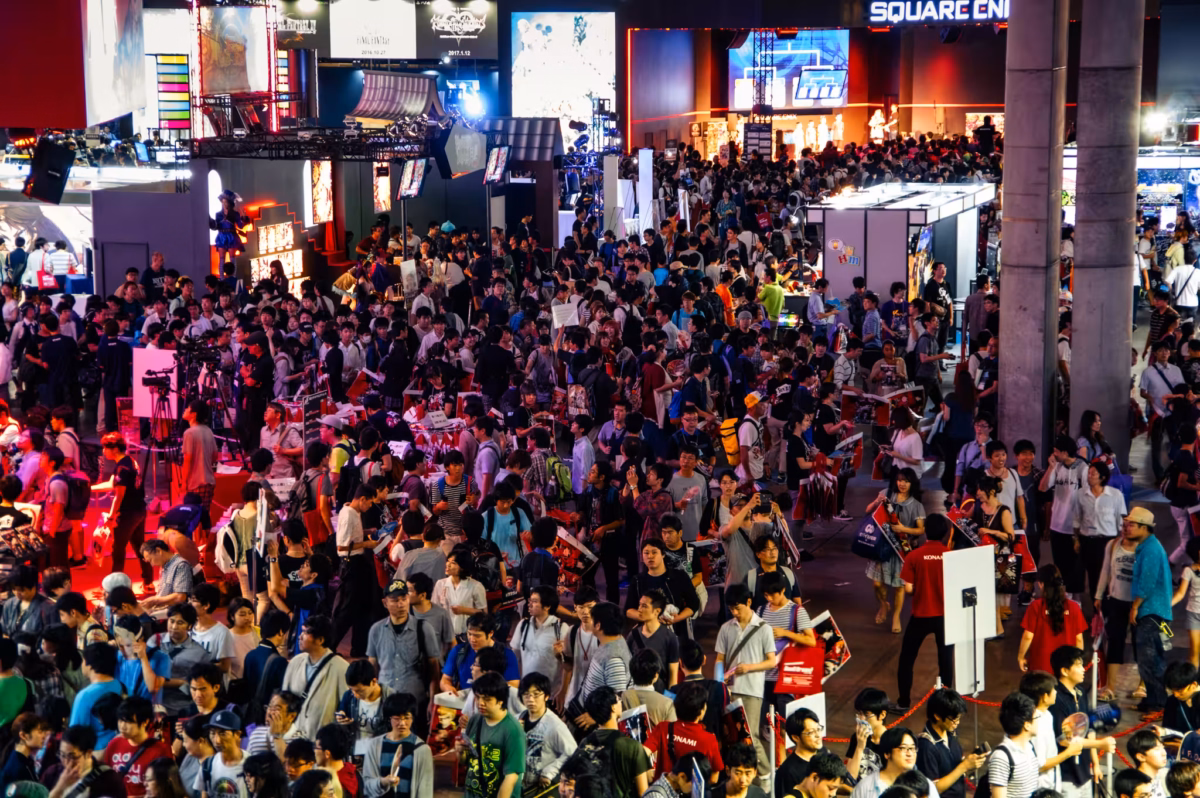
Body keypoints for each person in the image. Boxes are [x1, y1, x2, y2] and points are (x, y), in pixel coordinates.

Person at [716, 584, 776, 785]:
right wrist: (718, 681)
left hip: (752, 689)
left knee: (750, 735)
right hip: (729, 690)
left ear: (749, 602)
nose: (735, 612)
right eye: (731, 608)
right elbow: (719, 658)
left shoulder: (763, 628)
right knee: (732, 736)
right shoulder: (726, 628)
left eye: (738, 608)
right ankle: (740, 775)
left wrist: (749, 668)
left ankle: (766, 773)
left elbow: (771, 661)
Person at [896, 514, 955, 711]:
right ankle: (946, 704)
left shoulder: (914, 556)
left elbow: (909, 589)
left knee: (907, 659)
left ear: (926, 531)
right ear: (945, 533)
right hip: (945, 616)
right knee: (945, 660)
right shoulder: (951, 556)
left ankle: (904, 702)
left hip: (921, 614)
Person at [366, 578, 439, 735]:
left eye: (404, 598)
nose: (401, 604)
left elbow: (434, 669)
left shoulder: (424, 629)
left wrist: (433, 701)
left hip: (416, 704)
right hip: (386, 705)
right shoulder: (376, 630)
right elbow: (373, 669)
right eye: (394, 600)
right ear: (385, 603)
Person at [1049, 645, 1118, 798]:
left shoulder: (1080, 693)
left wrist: (1096, 764)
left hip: (1086, 772)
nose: (1083, 669)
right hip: (1066, 775)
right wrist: (1100, 745)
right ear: (1065, 671)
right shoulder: (1056, 699)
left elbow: (1089, 729)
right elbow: (1064, 740)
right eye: (1078, 665)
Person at [865, 469, 927, 635]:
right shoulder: (887, 494)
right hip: (882, 547)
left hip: (901, 551)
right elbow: (868, 510)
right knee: (877, 583)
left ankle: (896, 617)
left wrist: (903, 529)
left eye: (906, 481)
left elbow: (921, 530)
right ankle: (884, 604)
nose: (902, 484)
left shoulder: (916, 505)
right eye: (899, 480)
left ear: (912, 483)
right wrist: (877, 501)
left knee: (899, 587)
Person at [1127, 506, 1174, 715]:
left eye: (1132, 524)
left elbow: (1146, 583)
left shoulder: (1152, 550)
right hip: (1149, 611)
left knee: (1151, 659)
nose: (1127, 528)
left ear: (1145, 528)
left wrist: (1135, 606)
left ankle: (1159, 705)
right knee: (1144, 659)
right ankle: (1151, 701)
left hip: (1151, 612)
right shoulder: (1146, 547)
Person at [94, 432, 153, 587]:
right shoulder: (130, 462)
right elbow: (111, 484)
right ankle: (148, 581)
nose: (103, 451)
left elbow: (118, 495)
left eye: (105, 448)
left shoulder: (122, 468)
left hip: (128, 513)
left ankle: (114, 586)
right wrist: (90, 488)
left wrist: (112, 516)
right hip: (140, 510)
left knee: (118, 549)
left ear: (114, 449)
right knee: (140, 546)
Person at [281, 615, 350, 739]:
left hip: (321, 742)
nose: (299, 636)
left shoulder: (341, 668)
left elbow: (346, 707)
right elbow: (284, 698)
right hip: (293, 738)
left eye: (305, 633)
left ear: (320, 640)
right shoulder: (295, 662)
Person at [461, 671, 526, 798]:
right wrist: (460, 752)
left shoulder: (513, 730)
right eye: (478, 697)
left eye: (487, 699)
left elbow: (512, 776)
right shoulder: (475, 720)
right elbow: (467, 761)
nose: (480, 703)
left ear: (501, 701)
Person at [1040, 436, 1089, 601]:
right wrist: (1050, 468)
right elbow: (1043, 487)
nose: (1053, 454)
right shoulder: (1057, 467)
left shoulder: (1083, 468)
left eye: (1056, 451)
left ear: (1065, 452)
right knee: (1060, 564)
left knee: (1075, 566)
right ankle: (1065, 598)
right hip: (1057, 525)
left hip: (1074, 527)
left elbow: (1088, 497)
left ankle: (1076, 601)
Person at [1018, 565, 1087, 675]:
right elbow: (1079, 639)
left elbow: (1028, 636)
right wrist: (1078, 662)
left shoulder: (1036, 606)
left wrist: (1021, 656)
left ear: (1041, 584)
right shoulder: (1074, 607)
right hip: (1066, 667)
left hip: (1040, 666)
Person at [362, 692, 433, 798]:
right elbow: (367, 785)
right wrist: (383, 782)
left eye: (407, 717)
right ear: (389, 718)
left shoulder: (422, 749)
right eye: (397, 718)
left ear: (413, 718)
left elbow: (425, 789)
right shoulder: (374, 745)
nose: (402, 723)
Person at [517, 672, 576, 793]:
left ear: (546, 696)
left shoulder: (555, 725)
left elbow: (572, 752)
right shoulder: (516, 720)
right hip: (518, 786)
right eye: (526, 695)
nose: (531, 699)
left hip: (541, 788)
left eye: (536, 695)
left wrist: (549, 772)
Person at [102, 697, 172, 798]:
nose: (122, 726)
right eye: (120, 721)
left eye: (128, 722)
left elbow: (165, 789)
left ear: (145, 722)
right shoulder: (114, 744)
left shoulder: (160, 750)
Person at [849, 727, 937, 798]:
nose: (910, 753)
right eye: (903, 748)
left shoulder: (926, 785)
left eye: (913, 748)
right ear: (887, 753)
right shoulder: (865, 787)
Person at [69, 643, 125, 749]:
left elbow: (75, 735)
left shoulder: (84, 696)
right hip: (121, 753)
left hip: (96, 756)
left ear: (89, 665)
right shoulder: (125, 689)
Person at [48, 725, 128, 798]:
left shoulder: (109, 779)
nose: (65, 761)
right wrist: (59, 787)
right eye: (62, 755)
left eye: (72, 756)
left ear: (89, 753)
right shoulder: (52, 773)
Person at [987, 692, 1042, 798]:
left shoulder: (1030, 747)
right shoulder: (1002, 757)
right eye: (1036, 717)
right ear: (1027, 725)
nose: (1039, 721)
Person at [194, 710, 248, 798]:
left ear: (237, 734)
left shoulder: (250, 763)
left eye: (223, 733)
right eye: (212, 733)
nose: (217, 740)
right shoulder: (208, 765)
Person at [0, 712, 49, 787]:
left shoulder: (25, 761)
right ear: (23, 735)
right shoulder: (17, 769)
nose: (44, 736)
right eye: (40, 732)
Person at [644, 753, 713, 798]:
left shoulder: (674, 791)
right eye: (695, 784)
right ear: (682, 776)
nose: (694, 791)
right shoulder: (656, 796)